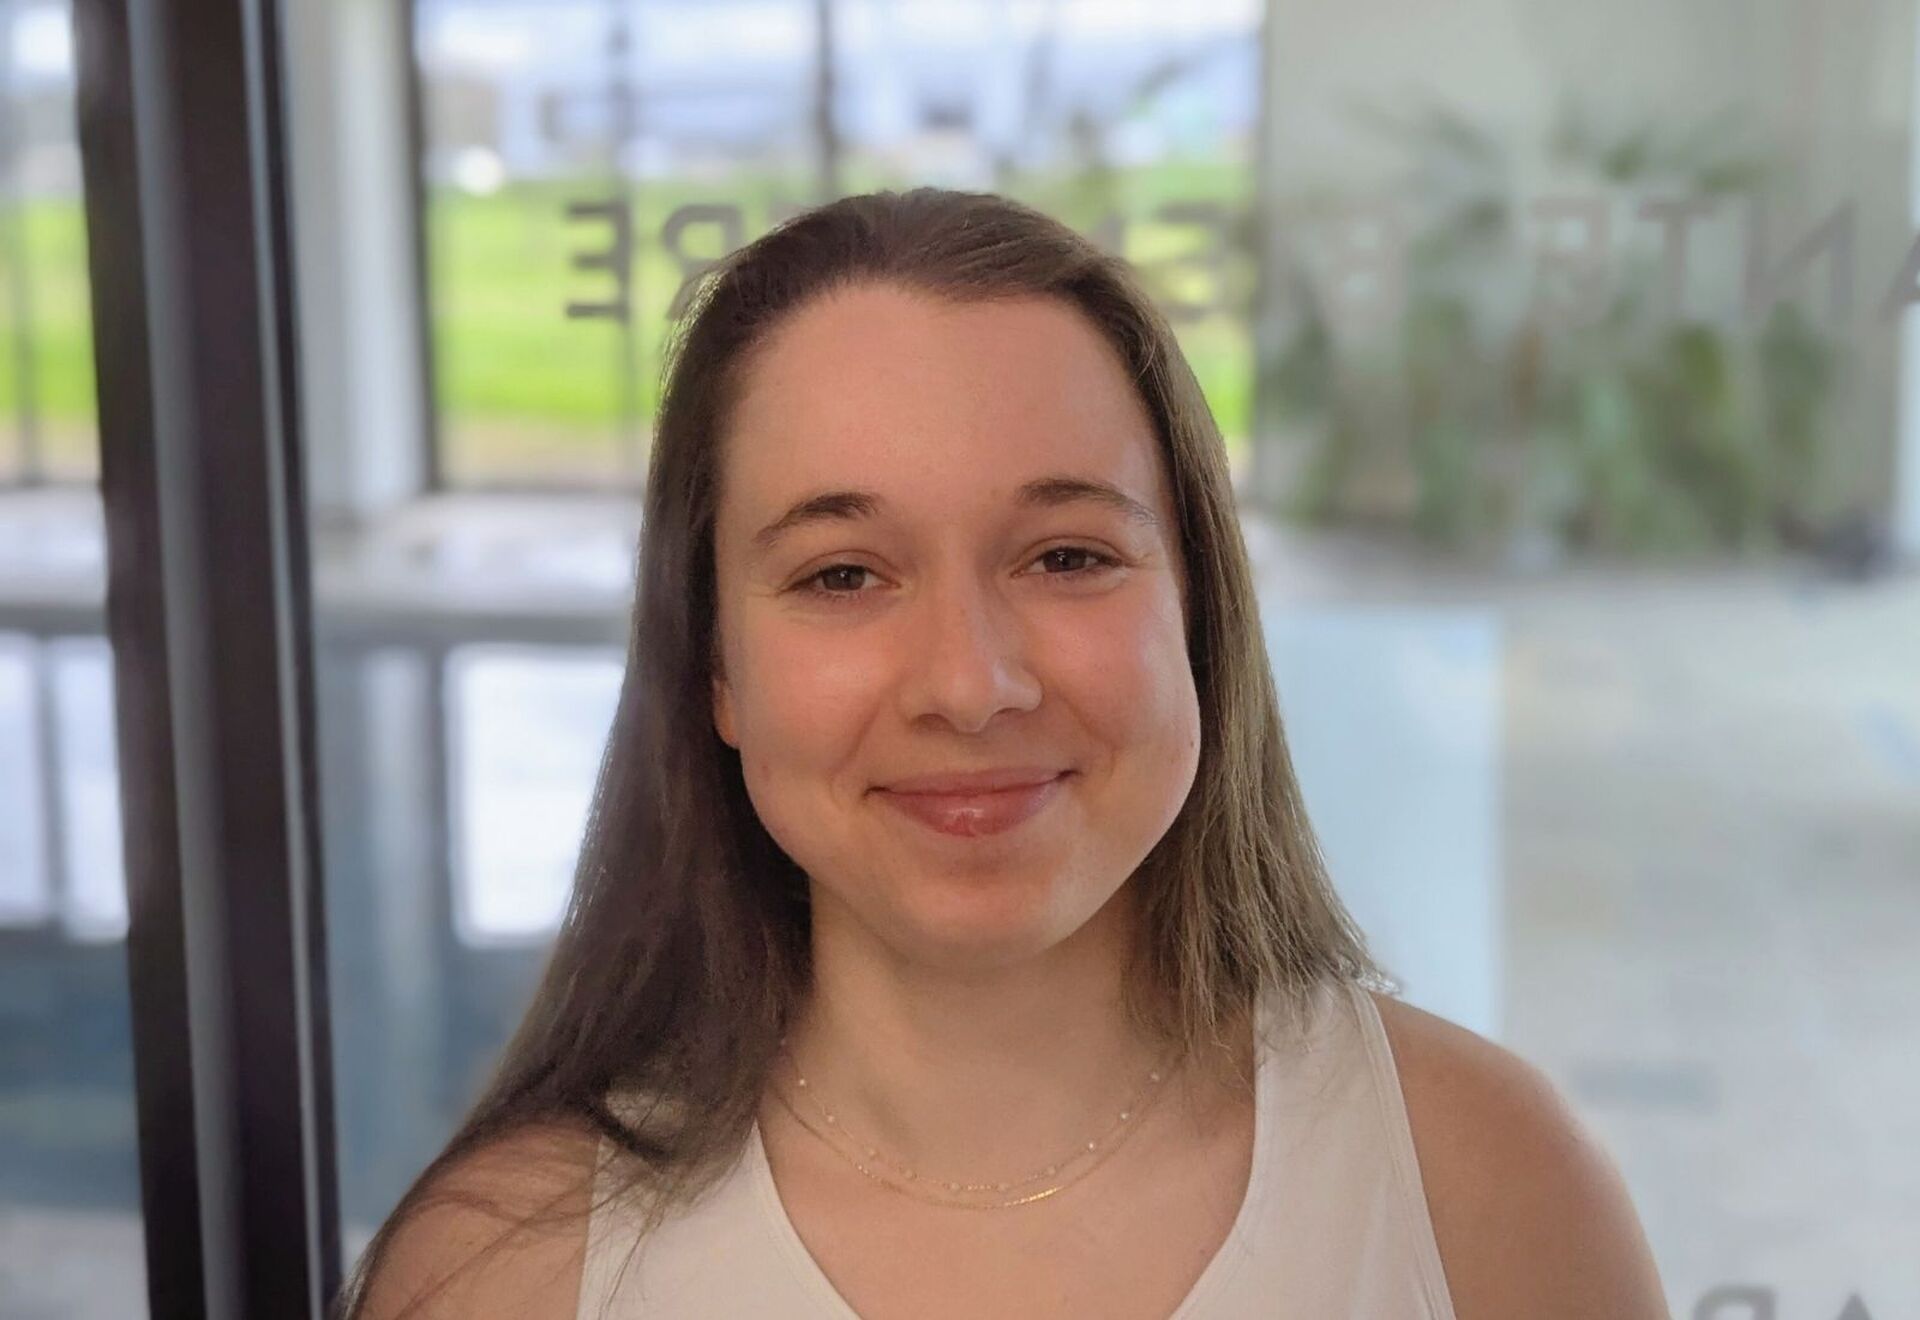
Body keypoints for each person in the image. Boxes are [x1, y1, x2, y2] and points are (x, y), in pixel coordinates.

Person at [339, 188, 1669, 1320]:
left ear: (1197, 617)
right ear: (718, 673)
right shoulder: (502, 1276)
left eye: (1068, 557)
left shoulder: (1489, 1195)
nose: (971, 687)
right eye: (844, 574)